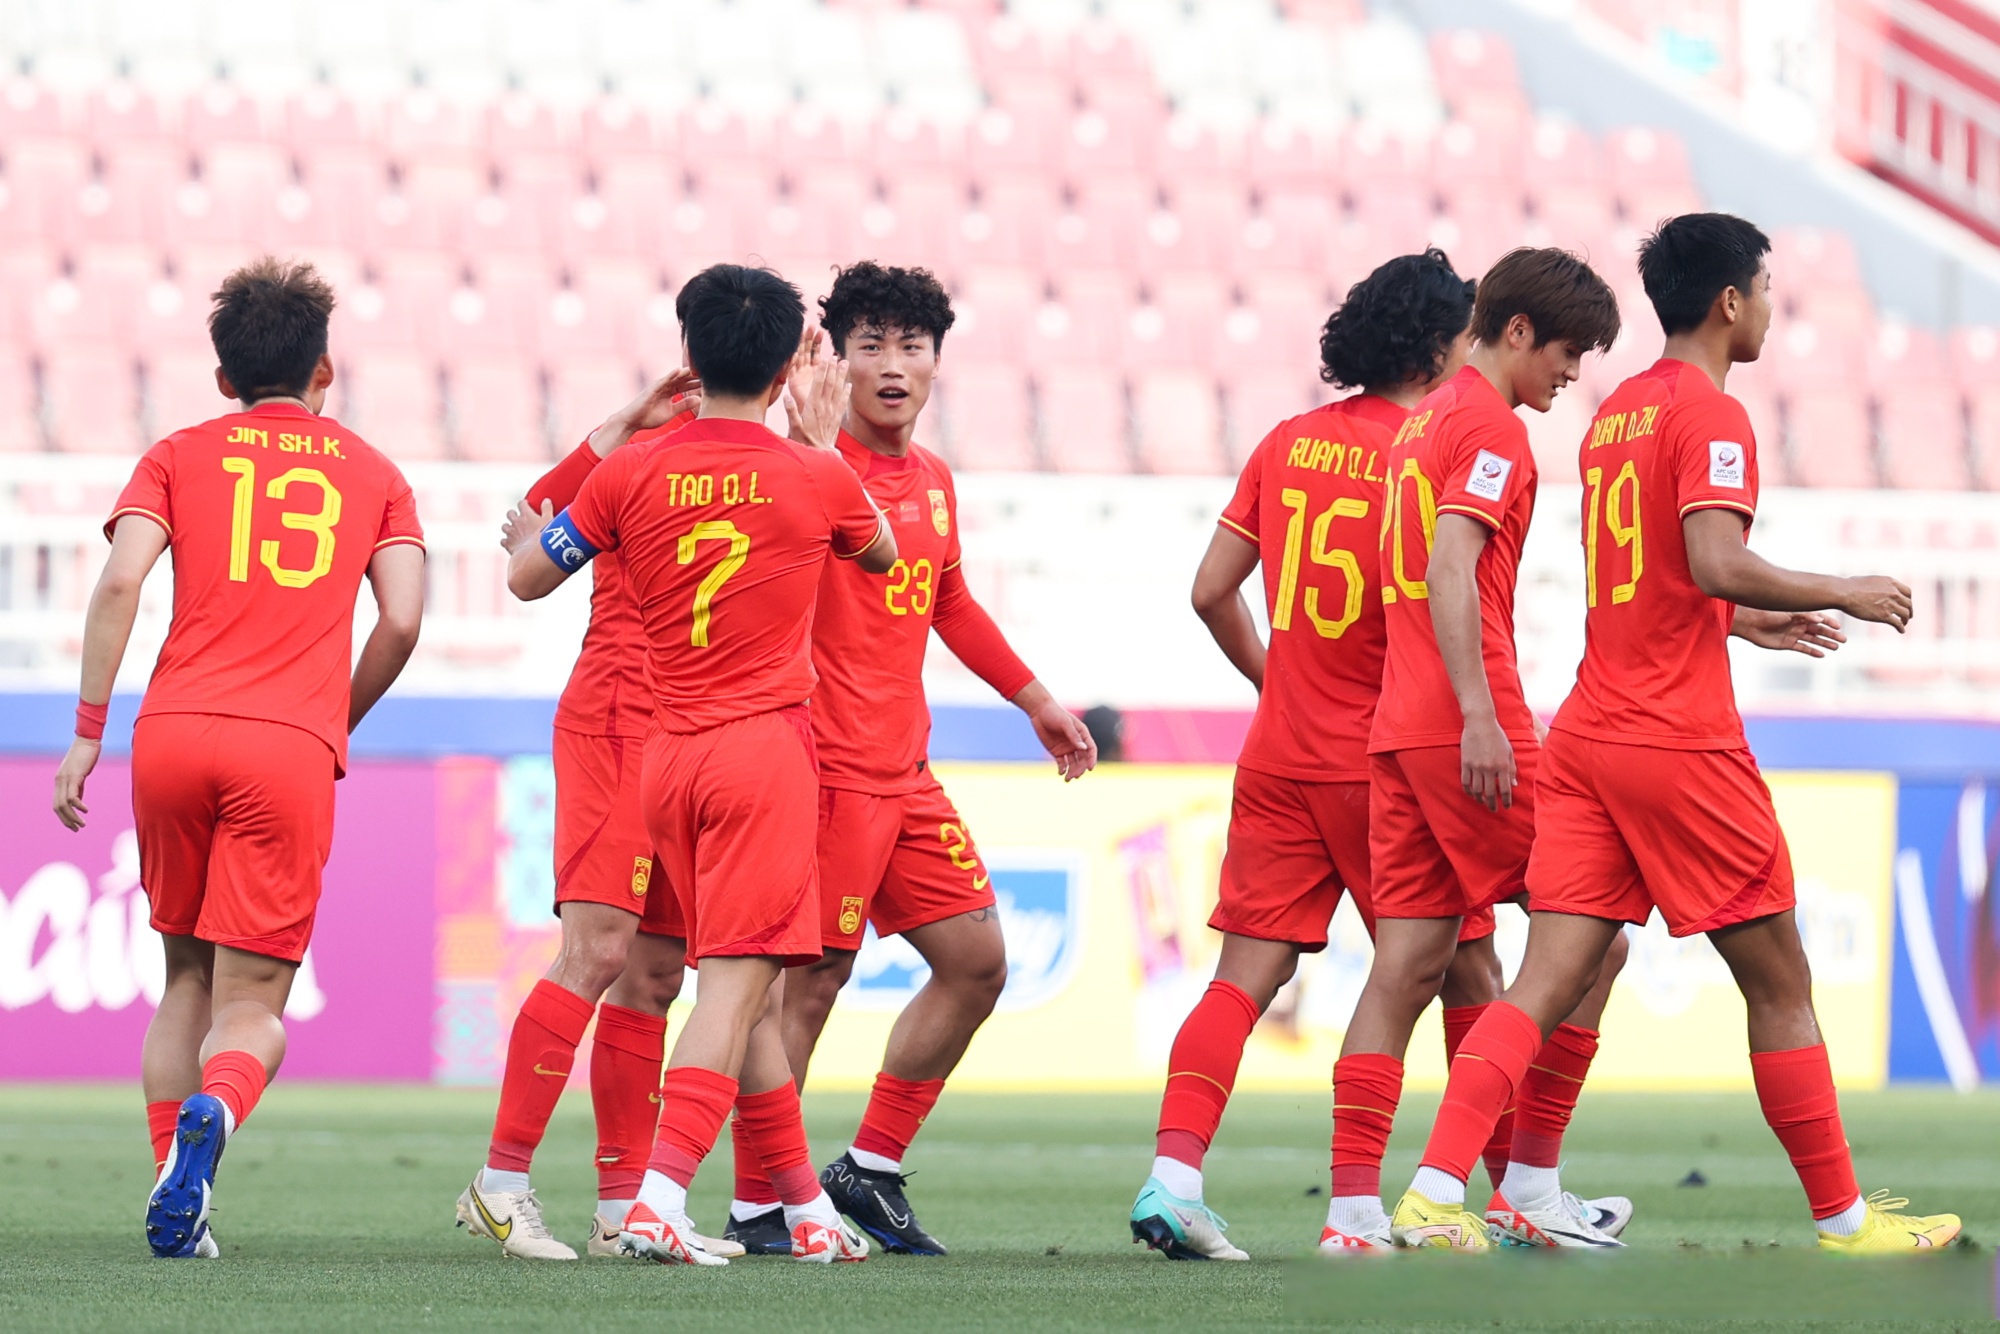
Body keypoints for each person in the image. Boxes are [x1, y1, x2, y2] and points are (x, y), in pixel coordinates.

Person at [1390, 214, 1961, 1253]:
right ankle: (1844, 1219)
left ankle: (1436, 1190)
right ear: (1730, 302)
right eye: (1766, 289)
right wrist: (1840, 588)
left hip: (1589, 733)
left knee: (1544, 981)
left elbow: (1650, 575)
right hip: (1677, 740)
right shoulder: (1712, 415)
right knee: (1778, 980)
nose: (1771, 307)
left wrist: (1737, 620)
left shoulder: (1615, 416)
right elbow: (1709, 558)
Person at [508, 263, 897, 1266]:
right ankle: (659, 1195)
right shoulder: (812, 474)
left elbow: (530, 573)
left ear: (689, 353)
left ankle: (805, 1208)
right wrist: (819, 442)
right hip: (760, 754)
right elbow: (884, 556)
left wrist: (557, 510)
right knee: (734, 988)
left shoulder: (630, 471)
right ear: (783, 369)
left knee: (743, 989)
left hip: (665, 760)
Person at [51, 258, 426, 1258]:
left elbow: (121, 582)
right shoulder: (377, 474)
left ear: (224, 378)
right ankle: (211, 1119)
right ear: (323, 370)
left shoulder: (176, 454)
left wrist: (87, 730)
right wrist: (331, 717)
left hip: (173, 733)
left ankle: (175, 1187)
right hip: (285, 745)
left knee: (182, 976)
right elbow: (401, 619)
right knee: (251, 1005)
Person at [1126, 250, 1497, 1260]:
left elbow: (1210, 589)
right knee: (1467, 973)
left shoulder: (1288, 441)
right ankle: (1494, 1194)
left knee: (1240, 977)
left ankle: (1172, 1178)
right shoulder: (1429, 454)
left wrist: (1277, 678)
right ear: (1436, 348)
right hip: (1388, 765)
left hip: (1281, 755)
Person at [725, 261, 1097, 1257]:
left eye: (911, 345)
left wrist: (1035, 700)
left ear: (936, 360)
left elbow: (949, 601)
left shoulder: (932, 479)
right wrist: (807, 451)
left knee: (978, 963)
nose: (892, 365)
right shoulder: (797, 469)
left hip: (905, 772)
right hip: (823, 768)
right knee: (810, 983)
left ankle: (870, 1166)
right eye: (870, 345)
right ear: (834, 361)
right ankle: (759, 1203)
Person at [1338, 248, 1632, 1251]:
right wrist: (1477, 713)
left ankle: (1350, 1213)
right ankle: (1520, 1188)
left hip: (1397, 725)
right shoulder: (1492, 428)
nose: (1571, 373)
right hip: (1468, 724)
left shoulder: (1420, 421)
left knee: (1407, 962)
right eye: (1566, 352)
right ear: (1515, 331)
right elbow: (1448, 565)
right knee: (1592, 938)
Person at [457, 370, 757, 1262]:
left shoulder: (775, 463)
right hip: (619, 720)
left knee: (655, 973)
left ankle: (623, 1207)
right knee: (596, 951)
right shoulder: (642, 452)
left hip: (696, 735)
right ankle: (499, 1182)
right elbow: (534, 528)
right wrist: (621, 423)